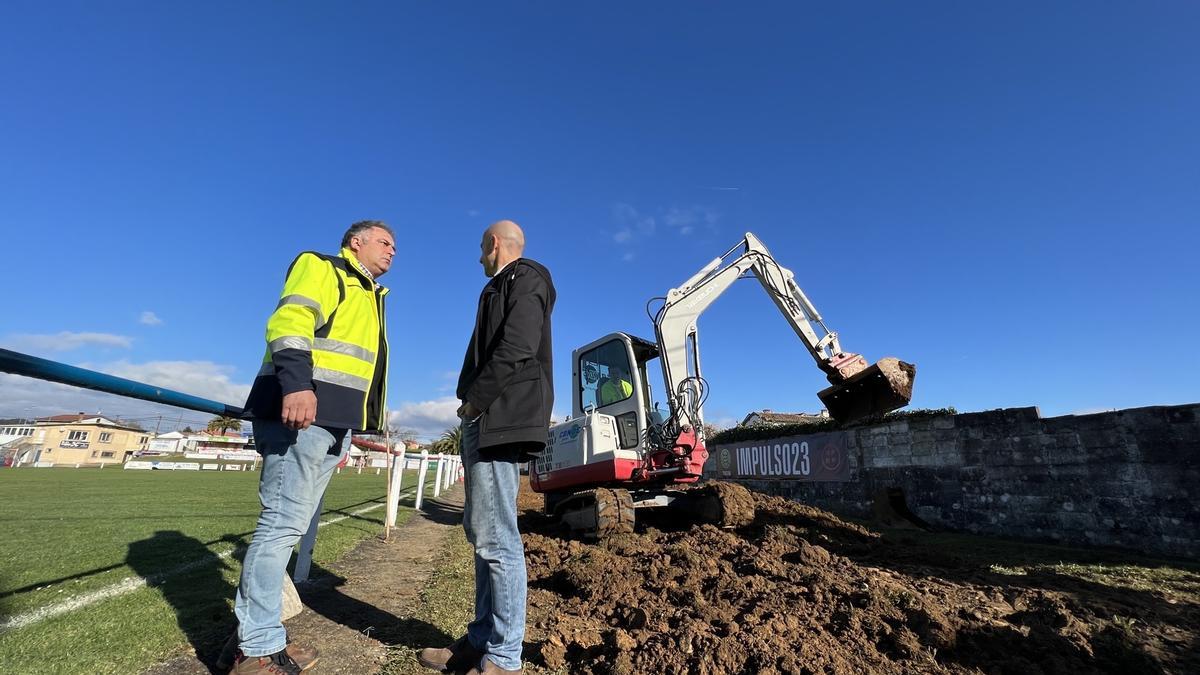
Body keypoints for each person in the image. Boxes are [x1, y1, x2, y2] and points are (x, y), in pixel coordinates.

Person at [229, 220, 395, 675]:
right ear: (354, 243)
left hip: (332, 424)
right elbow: (290, 321)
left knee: (289, 525)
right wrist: (297, 385)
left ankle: (255, 634)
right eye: (384, 242)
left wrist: (357, 426)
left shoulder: (370, 295)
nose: (392, 251)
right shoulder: (323, 267)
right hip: (301, 414)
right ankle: (255, 646)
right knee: (281, 525)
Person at [419, 220, 555, 675]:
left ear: (494, 244)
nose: (478, 258)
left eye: (481, 249)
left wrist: (475, 402)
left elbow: (518, 345)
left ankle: (503, 657)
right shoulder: (500, 288)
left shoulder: (527, 278)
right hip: (486, 417)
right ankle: (480, 642)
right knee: (482, 534)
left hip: (499, 418)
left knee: (498, 538)